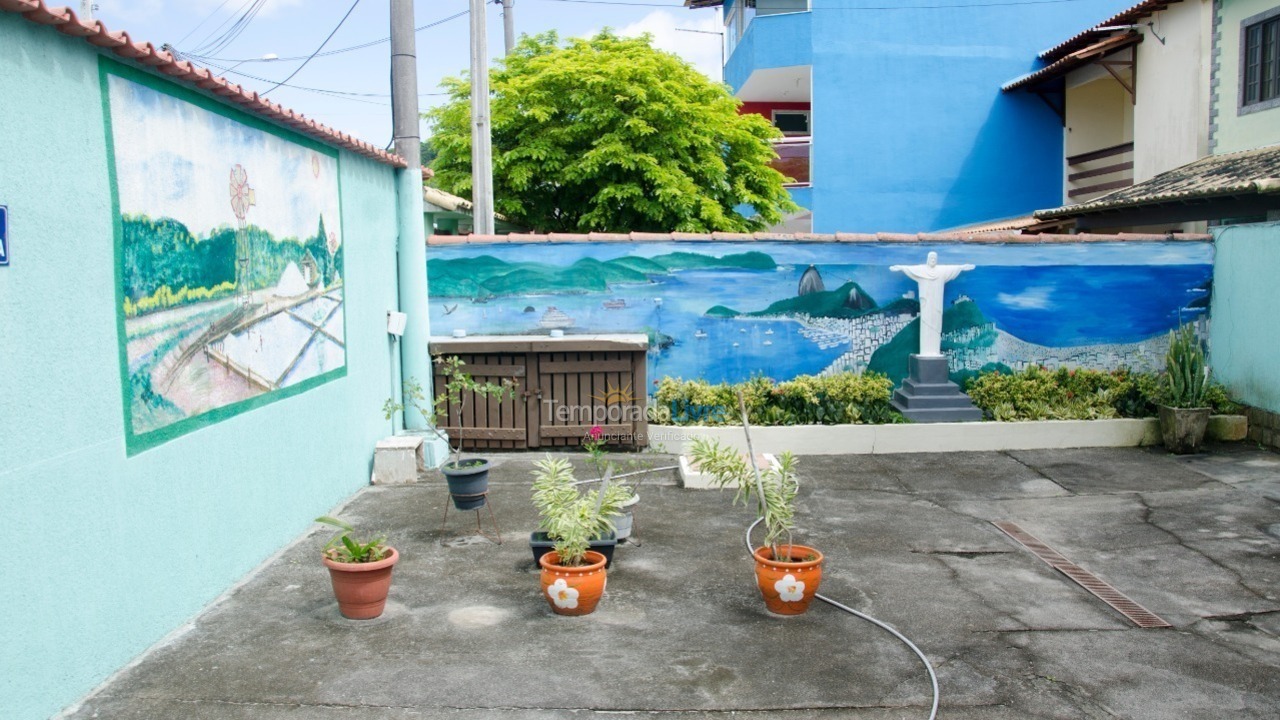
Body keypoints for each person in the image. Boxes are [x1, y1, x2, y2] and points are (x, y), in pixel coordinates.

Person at [889, 252, 975, 357]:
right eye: (931, 258)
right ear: (928, 259)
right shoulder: (922, 270)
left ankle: (934, 351)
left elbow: (952, 268)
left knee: (936, 325)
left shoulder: (941, 271)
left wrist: (962, 267)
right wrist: (901, 268)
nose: (933, 260)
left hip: (936, 304)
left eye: (935, 258)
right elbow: (910, 269)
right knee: (926, 325)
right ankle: (925, 351)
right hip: (926, 305)